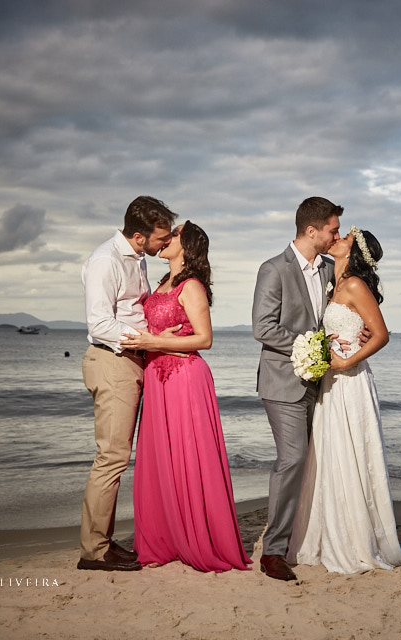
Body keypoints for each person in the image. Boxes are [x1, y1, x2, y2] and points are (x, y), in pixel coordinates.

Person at [120, 221, 252, 573]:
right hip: (158, 378)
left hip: (184, 379)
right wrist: (154, 337)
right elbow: (154, 330)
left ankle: (196, 537)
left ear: (188, 245)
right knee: (162, 458)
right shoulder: (161, 282)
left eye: (173, 234)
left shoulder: (192, 286)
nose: (165, 239)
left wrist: (154, 342)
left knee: (188, 457)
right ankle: (166, 537)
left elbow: (204, 339)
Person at [286, 227, 401, 574]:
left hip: (350, 381)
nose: (337, 238)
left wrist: (345, 361)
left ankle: (355, 539)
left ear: (354, 252)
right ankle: (327, 531)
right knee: (330, 454)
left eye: (346, 238)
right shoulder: (333, 282)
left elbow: (381, 334)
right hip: (330, 384)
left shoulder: (354, 285)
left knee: (352, 453)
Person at [77, 196, 177, 571]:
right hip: (113, 362)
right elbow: (99, 324)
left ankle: (102, 540)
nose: (163, 244)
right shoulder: (106, 260)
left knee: (118, 457)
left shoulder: (136, 259)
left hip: (131, 360)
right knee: (112, 457)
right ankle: (94, 552)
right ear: (139, 235)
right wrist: (148, 339)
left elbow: (131, 309)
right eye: (159, 238)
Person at [252, 196, 341, 581]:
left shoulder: (331, 269)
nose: (336, 236)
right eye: (332, 230)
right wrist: (312, 346)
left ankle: (305, 537)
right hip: (282, 381)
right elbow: (263, 327)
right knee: (292, 459)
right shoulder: (273, 269)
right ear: (311, 230)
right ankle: (273, 551)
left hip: (321, 382)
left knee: (314, 461)